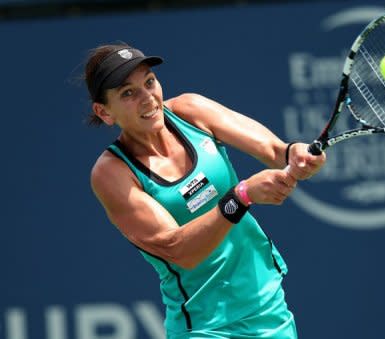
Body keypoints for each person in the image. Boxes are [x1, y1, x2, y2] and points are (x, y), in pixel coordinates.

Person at [85, 43, 326, 338]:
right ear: (104, 112)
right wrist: (242, 196)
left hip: (267, 307)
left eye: (149, 82)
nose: (148, 98)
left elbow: (275, 150)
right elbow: (178, 249)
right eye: (128, 93)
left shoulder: (190, 110)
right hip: (204, 326)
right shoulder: (112, 173)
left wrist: (296, 155)